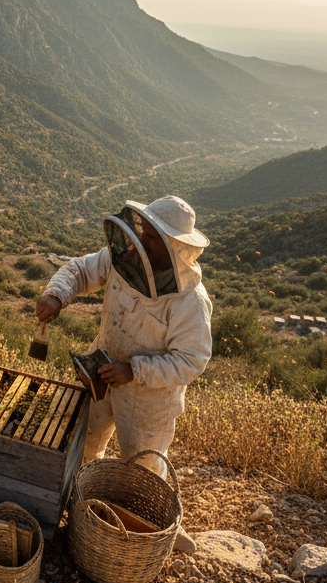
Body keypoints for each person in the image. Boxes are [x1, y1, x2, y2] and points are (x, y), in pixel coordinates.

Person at [35, 196, 212, 477]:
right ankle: (85, 498)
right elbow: (80, 270)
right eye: (145, 232)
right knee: (85, 441)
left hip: (149, 397)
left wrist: (135, 370)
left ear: (175, 246)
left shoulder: (190, 301)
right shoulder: (125, 258)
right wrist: (57, 295)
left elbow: (192, 360)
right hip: (102, 368)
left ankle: (138, 517)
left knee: (143, 466)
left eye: (153, 238)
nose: (143, 240)